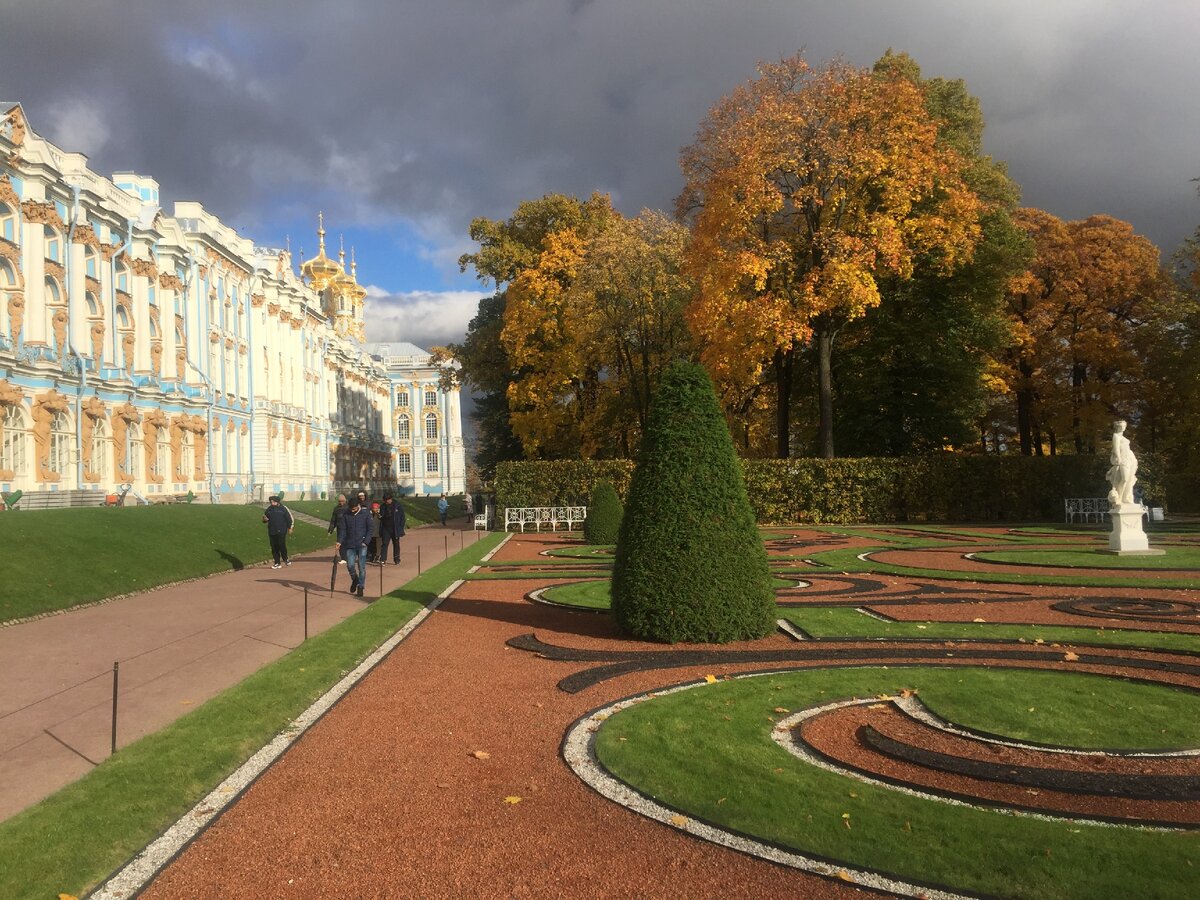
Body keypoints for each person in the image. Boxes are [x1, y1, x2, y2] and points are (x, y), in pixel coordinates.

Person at [336, 495, 371, 598]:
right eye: (351, 508)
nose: (352, 510)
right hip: (350, 544)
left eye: (354, 508)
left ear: (358, 506)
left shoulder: (365, 514)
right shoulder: (346, 515)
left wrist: (366, 541)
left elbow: (370, 528)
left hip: (362, 545)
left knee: (361, 567)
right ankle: (355, 579)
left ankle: (361, 586)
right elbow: (343, 530)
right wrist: (339, 541)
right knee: (350, 565)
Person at [1106, 419, 1139, 506]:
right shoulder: (1116, 436)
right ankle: (1119, 498)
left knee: (1129, 479)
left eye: (1124, 426)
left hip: (1129, 459)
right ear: (1117, 427)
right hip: (1123, 459)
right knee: (1124, 479)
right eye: (1121, 426)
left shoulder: (1124, 438)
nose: (1123, 428)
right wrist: (1118, 458)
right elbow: (1116, 448)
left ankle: (1126, 498)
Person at [261, 495, 294, 569]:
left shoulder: (283, 508)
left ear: (277, 502)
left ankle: (285, 559)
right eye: (271, 502)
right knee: (274, 547)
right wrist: (264, 519)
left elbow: (289, 518)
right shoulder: (269, 509)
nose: (272, 503)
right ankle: (277, 562)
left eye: (273, 502)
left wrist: (290, 527)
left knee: (281, 545)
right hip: (272, 530)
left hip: (281, 530)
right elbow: (265, 518)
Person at [379, 492, 407, 564]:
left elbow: (402, 517)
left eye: (388, 500)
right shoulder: (382, 506)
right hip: (386, 528)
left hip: (395, 528)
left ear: (391, 499)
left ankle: (397, 559)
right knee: (384, 543)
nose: (386, 501)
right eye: (385, 500)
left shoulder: (397, 506)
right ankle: (383, 559)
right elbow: (381, 517)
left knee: (396, 544)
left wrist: (401, 527)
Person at [326, 493, 348, 565]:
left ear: (345, 501)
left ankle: (348, 557)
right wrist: (330, 529)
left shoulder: (348, 508)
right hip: (340, 528)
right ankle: (344, 558)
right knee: (340, 543)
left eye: (342, 501)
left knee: (348, 543)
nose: (341, 502)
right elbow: (333, 520)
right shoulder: (336, 509)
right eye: (340, 501)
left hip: (348, 528)